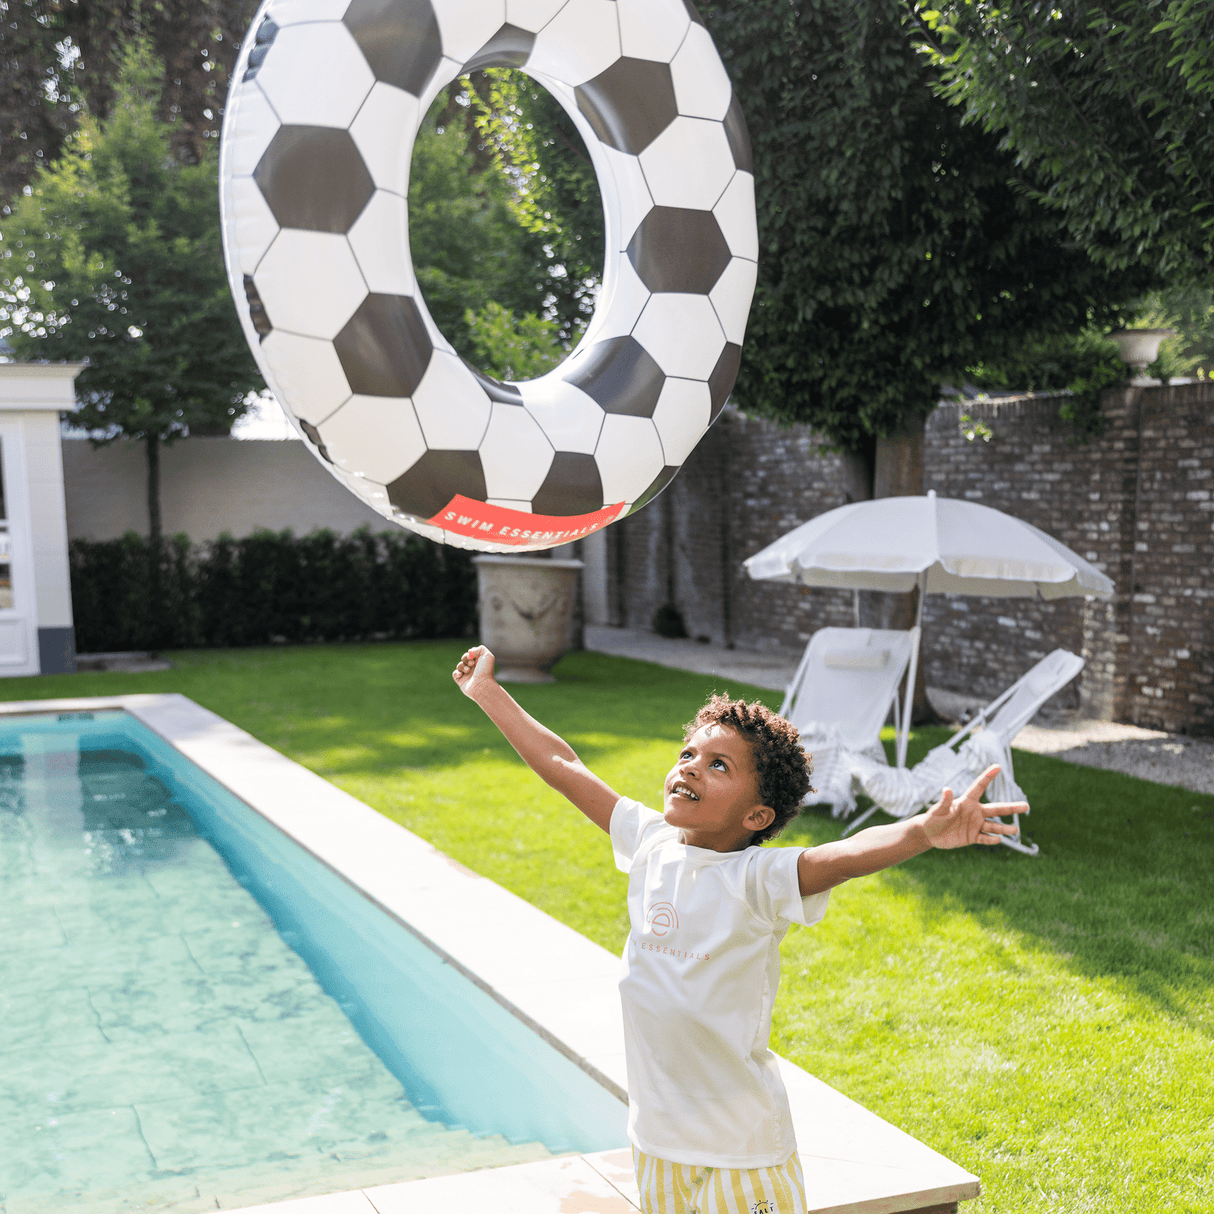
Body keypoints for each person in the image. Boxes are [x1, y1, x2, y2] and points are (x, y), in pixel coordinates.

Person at [452, 644, 1027, 1214]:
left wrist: (923, 831)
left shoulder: (757, 878)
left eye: (718, 765)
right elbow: (565, 766)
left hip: (743, 1151)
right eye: (688, 754)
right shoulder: (649, 840)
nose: (690, 767)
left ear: (756, 817)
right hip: (656, 1142)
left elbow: (845, 853)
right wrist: (489, 693)